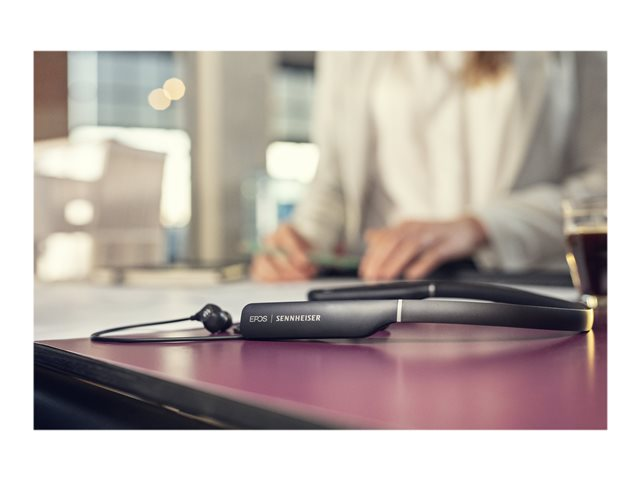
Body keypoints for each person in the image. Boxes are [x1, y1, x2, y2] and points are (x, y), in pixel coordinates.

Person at [251, 51, 607, 282]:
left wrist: (481, 226)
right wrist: (302, 243)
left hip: (519, 282)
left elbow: (606, 186)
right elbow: (335, 179)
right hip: (387, 284)